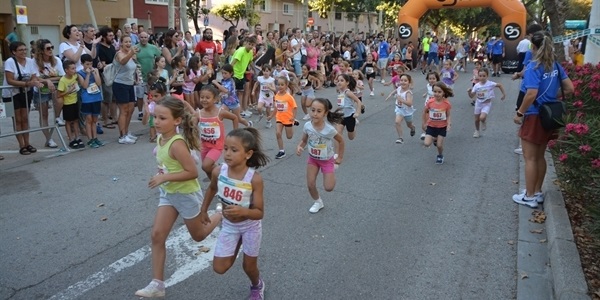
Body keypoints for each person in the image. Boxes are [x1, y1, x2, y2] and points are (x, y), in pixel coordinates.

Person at [135, 97, 223, 298]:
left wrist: (164, 176)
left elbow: (192, 172)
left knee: (199, 235)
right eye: (156, 117)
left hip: (185, 194)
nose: (156, 121)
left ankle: (220, 215)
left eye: (162, 118)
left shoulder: (177, 143)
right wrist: (162, 175)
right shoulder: (160, 138)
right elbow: (167, 165)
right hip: (168, 194)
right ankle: (157, 284)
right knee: (157, 235)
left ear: (176, 121)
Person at [199, 127, 269, 300]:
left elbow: (259, 213)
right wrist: (203, 210)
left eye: (234, 150)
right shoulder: (218, 171)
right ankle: (236, 242)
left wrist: (244, 211)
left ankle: (257, 285)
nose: (228, 154)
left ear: (248, 154)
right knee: (220, 267)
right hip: (229, 225)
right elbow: (212, 188)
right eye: (226, 149)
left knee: (249, 266)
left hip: (250, 227)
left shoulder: (254, 179)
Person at [512, 31, 573, 208]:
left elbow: (531, 93)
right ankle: (536, 191)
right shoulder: (554, 65)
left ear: (533, 47)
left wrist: (519, 113)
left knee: (530, 158)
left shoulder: (533, 67)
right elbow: (570, 88)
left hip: (534, 115)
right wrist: (552, 95)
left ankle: (529, 196)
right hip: (550, 114)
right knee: (540, 156)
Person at [296, 98, 345, 213]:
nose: (315, 114)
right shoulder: (307, 126)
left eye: (319, 111)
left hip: (327, 160)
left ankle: (332, 169)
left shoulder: (329, 130)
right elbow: (304, 140)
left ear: (325, 113)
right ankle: (318, 202)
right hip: (313, 159)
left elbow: (341, 141)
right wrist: (300, 146)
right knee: (310, 184)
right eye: (313, 110)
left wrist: (340, 157)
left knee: (329, 188)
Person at [2, 41, 44, 155]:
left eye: (25, 49)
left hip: (25, 93)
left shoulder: (30, 61)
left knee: (25, 118)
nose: (24, 52)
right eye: (20, 50)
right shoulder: (10, 62)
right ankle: (21, 145)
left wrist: (35, 82)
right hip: (10, 94)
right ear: (14, 52)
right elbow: (10, 80)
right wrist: (27, 84)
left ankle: (27, 143)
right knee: (17, 120)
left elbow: (34, 76)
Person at [193, 85, 239, 180]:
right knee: (207, 169)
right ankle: (214, 186)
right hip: (204, 146)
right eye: (202, 97)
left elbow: (235, 118)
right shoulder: (198, 114)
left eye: (207, 97)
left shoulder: (220, 113)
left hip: (216, 146)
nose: (204, 100)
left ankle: (223, 170)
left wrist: (235, 134)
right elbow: (193, 128)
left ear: (215, 99)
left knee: (205, 166)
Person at [34, 39, 64, 148]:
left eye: (52, 47)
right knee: (44, 115)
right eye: (48, 48)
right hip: (41, 91)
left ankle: (57, 116)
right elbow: (36, 77)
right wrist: (47, 80)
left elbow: (62, 75)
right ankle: (48, 139)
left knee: (59, 100)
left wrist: (48, 78)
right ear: (41, 50)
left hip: (54, 89)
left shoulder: (56, 60)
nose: (51, 50)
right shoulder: (35, 62)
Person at [113, 34, 139, 144]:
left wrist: (136, 78)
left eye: (130, 42)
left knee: (131, 108)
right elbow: (122, 62)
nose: (128, 44)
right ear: (121, 43)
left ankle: (127, 132)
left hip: (130, 84)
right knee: (123, 110)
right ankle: (122, 135)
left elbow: (134, 68)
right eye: (126, 42)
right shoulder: (119, 54)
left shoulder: (131, 54)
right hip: (120, 84)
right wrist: (131, 54)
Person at [467, 68, 506, 138]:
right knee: (476, 119)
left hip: (486, 104)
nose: (482, 78)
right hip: (478, 103)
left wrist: (503, 94)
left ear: (487, 76)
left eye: (484, 76)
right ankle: (477, 131)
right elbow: (471, 96)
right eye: (480, 76)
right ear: (478, 76)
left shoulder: (490, 84)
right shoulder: (476, 85)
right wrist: (469, 92)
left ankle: (483, 121)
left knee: (482, 117)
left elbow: (499, 85)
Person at [77, 54, 105, 148]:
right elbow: (84, 86)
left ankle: (95, 137)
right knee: (88, 119)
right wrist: (88, 74)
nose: (89, 66)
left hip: (96, 97)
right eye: (87, 64)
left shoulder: (95, 70)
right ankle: (90, 139)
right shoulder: (80, 73)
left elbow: (99, 83)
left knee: (95, 119)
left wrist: (95, 73)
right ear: (82, 64)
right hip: (87, 99)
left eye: (91, 64)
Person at [422, 82, 453, 165]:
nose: (437, 94)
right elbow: (425, 112)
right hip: (431, 126)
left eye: (439, 92)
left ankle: (440, 155)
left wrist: (449, 123)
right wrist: (424, 123)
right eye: (435, 91)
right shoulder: (430, 102)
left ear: (444, 92)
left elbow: (448, 115)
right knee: (426, 143)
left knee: (439, 145)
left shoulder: (446, 104)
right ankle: (434, 138)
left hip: (442, 127)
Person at [212, 64, 251, 128]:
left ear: (231, 73)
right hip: (225, 102)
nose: (223, 75)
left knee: (238, 119)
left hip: (233, 103)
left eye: (225, 73)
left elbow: (226, 90)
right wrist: (219, 95)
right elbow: (222, 91)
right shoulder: (223, 81)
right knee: (220, 114)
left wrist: (216, 83)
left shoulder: (231, 81)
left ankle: (247, 124)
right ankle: (216, 129)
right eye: (222, 73)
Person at [57, 60, 83, 149]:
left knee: (76, 120)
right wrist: (68, 91)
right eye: (72, 69)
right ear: (66, 70)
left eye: (75, 68)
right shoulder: (63, 81)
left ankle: (77, 137)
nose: (74, 70)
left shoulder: (74, 76)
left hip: (75, 101)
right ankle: (71, 139)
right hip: (67, 103)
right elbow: (59, 94)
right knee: (68, 122)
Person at [97, 26, 118, 130]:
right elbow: (103, 64)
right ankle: (105, 120)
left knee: (114, 98)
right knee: (106, 99)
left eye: (112, 35)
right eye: (110, 36)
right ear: (104, 37)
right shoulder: (100, 48)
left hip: (114, 75)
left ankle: (114, 117)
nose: (112, 37)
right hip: (106, 76)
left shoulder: (112, 47)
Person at [230, 36, 257, 118]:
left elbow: (250, 61)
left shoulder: (250, 52)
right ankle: (236, 111)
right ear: (246, 43)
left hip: (241, 75)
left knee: (241, 93)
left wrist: (255, 70)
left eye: (252, 45)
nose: (251, 46)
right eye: (249, 44)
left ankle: (241, 110)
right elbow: (233, 62)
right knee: (234, 93)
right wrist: (229, 73)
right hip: (235, 74)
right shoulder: (241, 51)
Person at [386, 74, 416, 144]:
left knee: (409, 124)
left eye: (405, 81)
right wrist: (390, 95)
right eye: (401, 80)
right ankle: (400, 138)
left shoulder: (408, 93)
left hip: (407, 111)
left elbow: (410, 103)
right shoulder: (399, 88)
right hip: (400, 109)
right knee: (397, 122)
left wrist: (401, 100)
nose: (403, 82)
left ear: (409, 82)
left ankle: (412, 128)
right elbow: (396, 90)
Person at [273, 76, 298, 159]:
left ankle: (294, 123)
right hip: (279, 118)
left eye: (282, 84)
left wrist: (293, 117)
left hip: (288, 119)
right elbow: (276, 107)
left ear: (286, 85)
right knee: (278, 133)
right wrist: (271, 115)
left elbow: (295, 107)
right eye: (278, 84)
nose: (280, 86)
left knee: (289, 136)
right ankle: (281, 151)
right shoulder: (276, 95)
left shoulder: (289, 97)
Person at [335, 74, 362, 143]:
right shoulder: (339, 91)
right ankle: (338, 152)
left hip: (350, 115)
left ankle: (353, 126)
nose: (339, 82)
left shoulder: (348, 92)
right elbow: (341, 104)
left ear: (347, 82)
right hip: (341, 115)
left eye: (341, 80)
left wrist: (357, 113)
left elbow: (358, 101)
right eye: (338, 81)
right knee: (338, 133)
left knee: (351, 137)